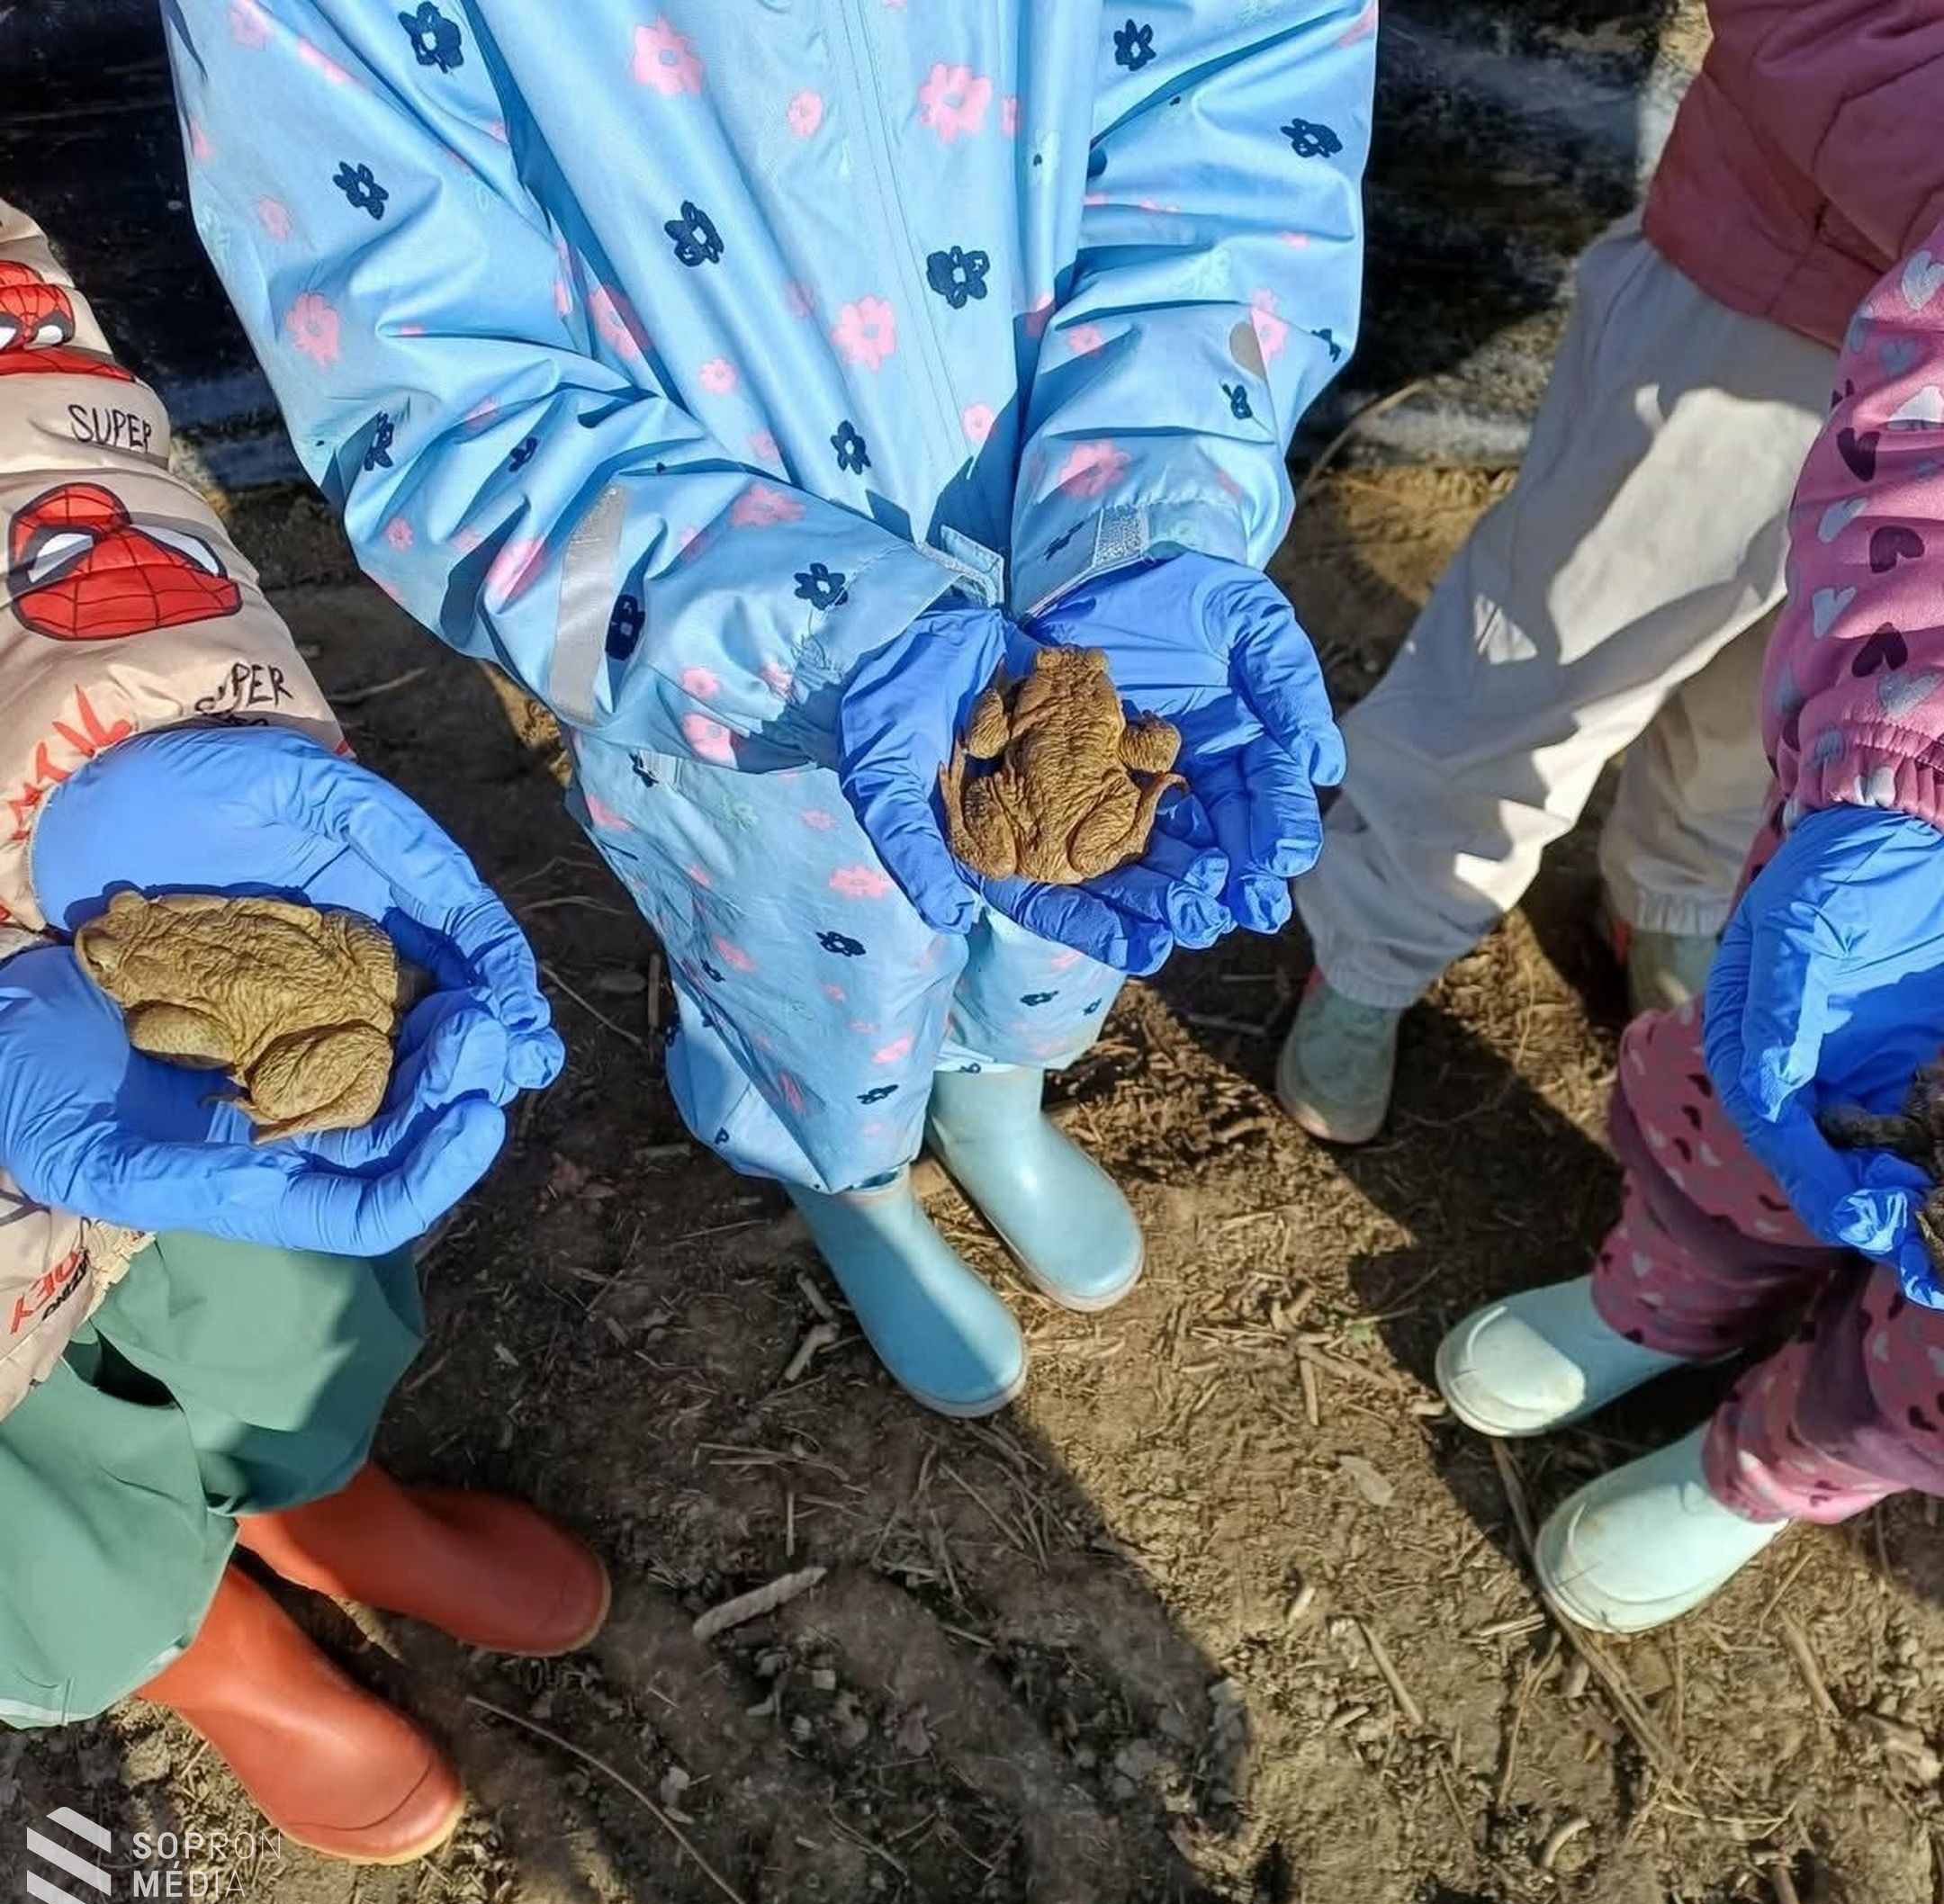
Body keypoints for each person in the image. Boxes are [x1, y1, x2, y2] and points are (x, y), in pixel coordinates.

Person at [162, 2, 1373, 1417]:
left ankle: (996, 1095)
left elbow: (1234, 118)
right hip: (716, 663)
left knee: (1061, 919)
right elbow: (435, 407)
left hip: (1079, 567)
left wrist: (1157, 501)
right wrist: (824, 635)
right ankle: (846, 1172)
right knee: (816, 971)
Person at [0, 198, 595, 1860]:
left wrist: (146, 728)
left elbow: (30, 433)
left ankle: (312, 1491)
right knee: (25, 1522)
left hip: (54, 887)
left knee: (260, 1250)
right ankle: (199, 1647)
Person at [1282, 0, 1944, 1146]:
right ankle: (1373, 935)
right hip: (1767, 289)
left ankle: (1673, 897)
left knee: (1797, 697)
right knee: (1557, 645)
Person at [1435, 214, 1944, 1634]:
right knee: (1756, 1128)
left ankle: (1777, 1465)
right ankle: (1661, 1300)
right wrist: (1903, 768)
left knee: (1923, 1391)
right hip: (1907, 897)